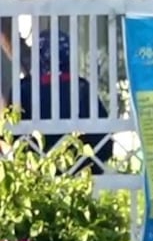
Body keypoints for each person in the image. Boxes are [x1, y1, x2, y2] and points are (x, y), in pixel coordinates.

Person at [12, 31, 113, 173]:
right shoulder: (81, 88)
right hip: (79, 176)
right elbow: (105, 142)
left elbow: (12, 138)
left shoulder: (23, 90)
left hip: (35, 178)